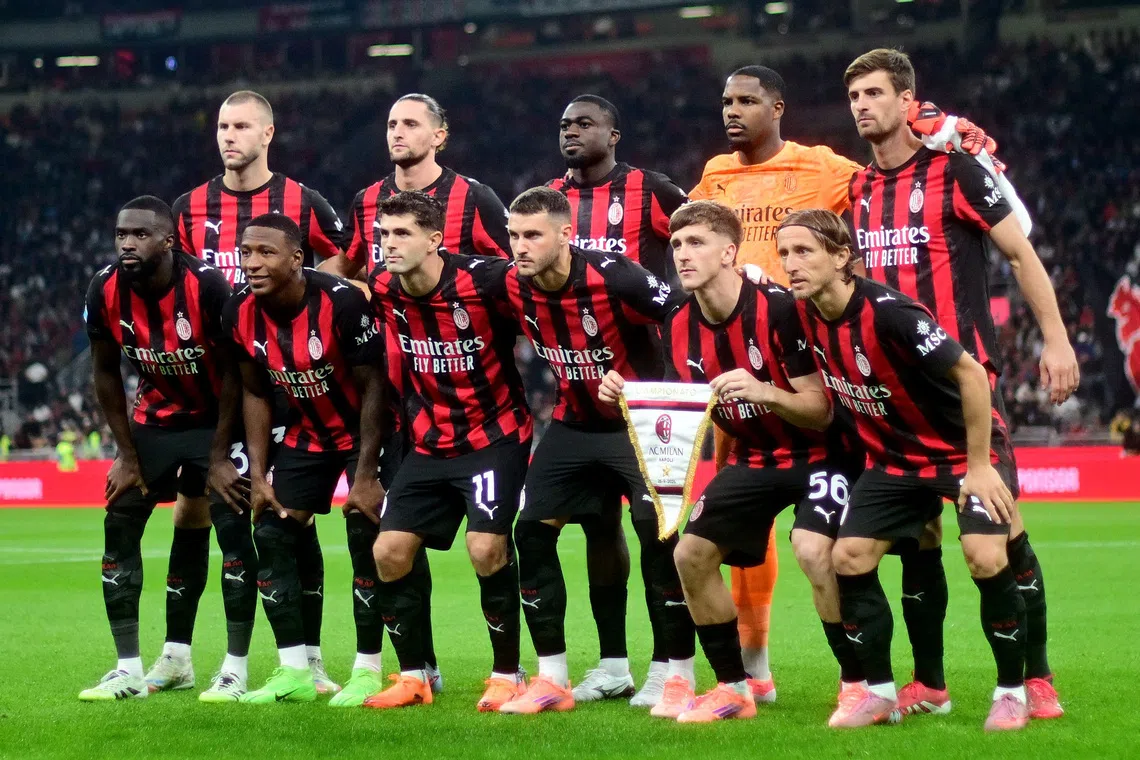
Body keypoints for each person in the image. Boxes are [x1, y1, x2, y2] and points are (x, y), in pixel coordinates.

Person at [843, 48, 1078, 719]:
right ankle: (929, 684)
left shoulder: (958, 172)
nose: (863, 105)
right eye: (854, 95)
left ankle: (1032, 678)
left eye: (875, 93)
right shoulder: (858, 190)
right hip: (890, 401)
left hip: (962, 388)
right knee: (913, 542)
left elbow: (1021, 250)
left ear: (907, 98)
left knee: (994, 543)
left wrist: (1056, 341)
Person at [598, 201, 859, 722]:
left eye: (695, 243)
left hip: (823, 454)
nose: (682, 254)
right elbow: (688, 402)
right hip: (755, 457)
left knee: (812, 551)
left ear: (730, 252)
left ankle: (858, 683)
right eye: (675, 245)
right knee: (689, 554)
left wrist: (765, 391)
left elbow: (822, 410)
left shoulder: (782, 309)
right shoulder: (675, 320)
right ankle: (733, 689)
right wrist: (630, 395)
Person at [781, 208, 1029, 731]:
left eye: (803, 251)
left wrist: (981, 467)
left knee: (984, 556)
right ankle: (878, 693)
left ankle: (1012, 691)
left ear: (842, 256)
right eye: (784, 253)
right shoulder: (799, 314)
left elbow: (972, 376)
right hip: (895, 461)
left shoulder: (892, 314)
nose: (790, 263)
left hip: (963, 452)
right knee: (847, 556)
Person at [686, 66, 865, 696]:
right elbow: (691, 234)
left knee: (822, 543)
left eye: (746, 101)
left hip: (797, 360)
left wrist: (949, 133)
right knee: (736, 531)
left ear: (778, 106)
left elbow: (883, 182)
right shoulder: (715, 174)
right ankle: (752, 664)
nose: (732, 111)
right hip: (734, 368)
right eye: (726, 101)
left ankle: (867, 674)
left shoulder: (820, 167)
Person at [480, 187, 693, 713]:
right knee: (532, 534)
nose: (520, 247)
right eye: (513, 235)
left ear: (565, 234)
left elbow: (684, 315)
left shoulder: (615, 276)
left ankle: (668, 670)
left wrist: (650, 391)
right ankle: (567, 675)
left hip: (637, 426)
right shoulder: (509, 282)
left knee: (658, 539)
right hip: (573, 425)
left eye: (532, 235)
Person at [171, 89, 346, 692]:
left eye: (241, 125)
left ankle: (306, 659)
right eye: (222, 125)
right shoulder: (189, 207)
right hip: (225, 383)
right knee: (228, 517)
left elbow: (342, 261)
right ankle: (231, 662)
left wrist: (304, 326)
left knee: (287, 522)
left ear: (268, 133)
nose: (228, 135)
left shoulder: (303, 201)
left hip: (294, 388)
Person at [364, 191, 531, 712]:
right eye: (384, 234)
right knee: (388, 552)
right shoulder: (382, 288)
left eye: (401, 234)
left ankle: (509, 673)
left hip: (494, 436)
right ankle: (417, 674)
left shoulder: (487, 281)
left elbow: (544, 302)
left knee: (485, 549)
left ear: (435, 239)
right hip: (429, 443)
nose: (389, 245)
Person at [80, 196, 248, 701]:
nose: (127, 243)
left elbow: (237, 374)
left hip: (219, 422)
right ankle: (131, 669)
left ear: (169, 241)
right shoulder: (104, 288)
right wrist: (127, 455)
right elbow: (105, 373)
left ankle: (235, 670)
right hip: (156, 421)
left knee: (234, 526)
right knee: (120, 515)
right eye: (120, 234)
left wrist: (219, 457)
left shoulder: (207, 287)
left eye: (140, 234)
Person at [223, 214, 393, 704]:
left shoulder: (342, 304)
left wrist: (365, 475)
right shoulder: (237, 312)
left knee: (365, 530)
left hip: (366, 433)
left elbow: (375, 389)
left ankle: (368, 668)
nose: (252, 263)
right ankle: (295, 671)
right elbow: (255, 393)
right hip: (308, 433)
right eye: (246, 252)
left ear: (298, 258)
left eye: (266, 253)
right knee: (272, 531)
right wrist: (257, 474)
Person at [324, 93, 511, 280]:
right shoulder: (366, 200)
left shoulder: (473, 197)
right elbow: (342, 268)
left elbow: (514, 269)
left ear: (437, 137)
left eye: (411, 124)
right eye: (392, 125)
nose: (397, 133)